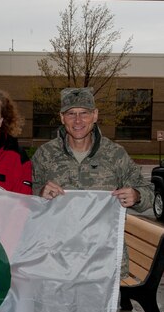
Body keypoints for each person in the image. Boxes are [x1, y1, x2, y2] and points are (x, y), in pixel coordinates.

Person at [32, 87, 154, 276]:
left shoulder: (115, 155)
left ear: (95, 115)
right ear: (62, 117)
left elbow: (148, 191)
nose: (78, 120)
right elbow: (23, 197)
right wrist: (39, 193)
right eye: (71, 114)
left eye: (84, 113)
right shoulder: (45, 155)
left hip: (103, 263)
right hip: (56, 260)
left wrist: (136, 195)